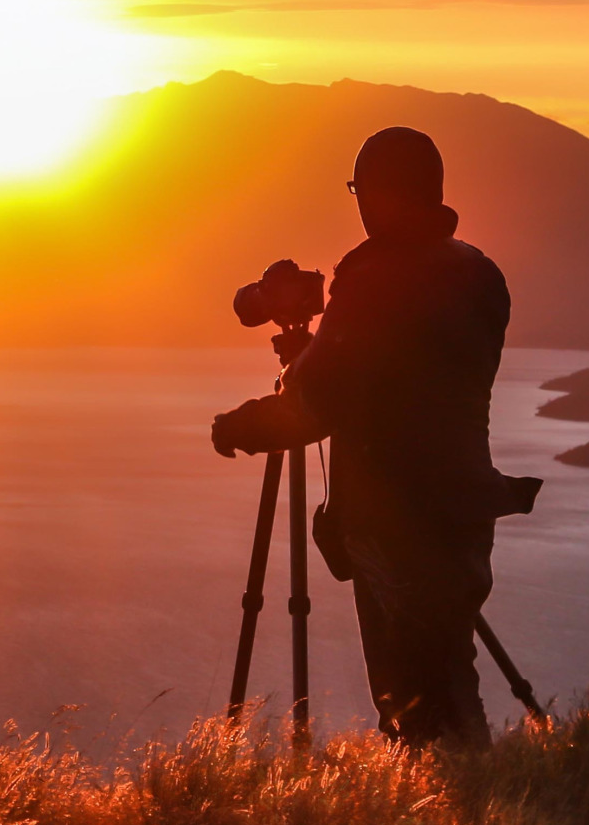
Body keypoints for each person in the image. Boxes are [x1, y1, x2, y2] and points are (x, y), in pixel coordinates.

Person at [209, 127, 536, 747]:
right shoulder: (478, 271)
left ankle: (468, 817)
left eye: (361, 190)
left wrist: (243, 424)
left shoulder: (374, 277)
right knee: (446, 667)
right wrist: (324, 351)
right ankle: (478, 807)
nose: (358, 205)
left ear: (380, 195)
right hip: (464, 505)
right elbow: (411, 376)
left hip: (396, 521)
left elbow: (316, 406)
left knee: (416, 701)